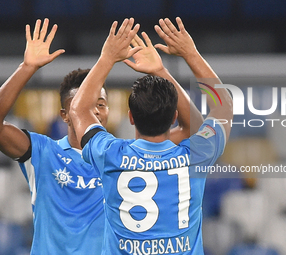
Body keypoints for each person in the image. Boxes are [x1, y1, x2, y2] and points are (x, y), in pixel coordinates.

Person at [0, 17, 200, 254]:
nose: (95, 110)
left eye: (102, 104)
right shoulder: (42, 152)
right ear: (66, 114)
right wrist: (27, 68)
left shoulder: (123, 155)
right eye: (86, 104)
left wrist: (159, 71)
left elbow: (192, 131)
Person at [70, 17, 232, 255]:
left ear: (131, 117)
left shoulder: (110, 154)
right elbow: (223, 106)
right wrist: (186, 56)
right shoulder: (197, 155)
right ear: (175, 116)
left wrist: (107, 58)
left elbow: (79, 109)